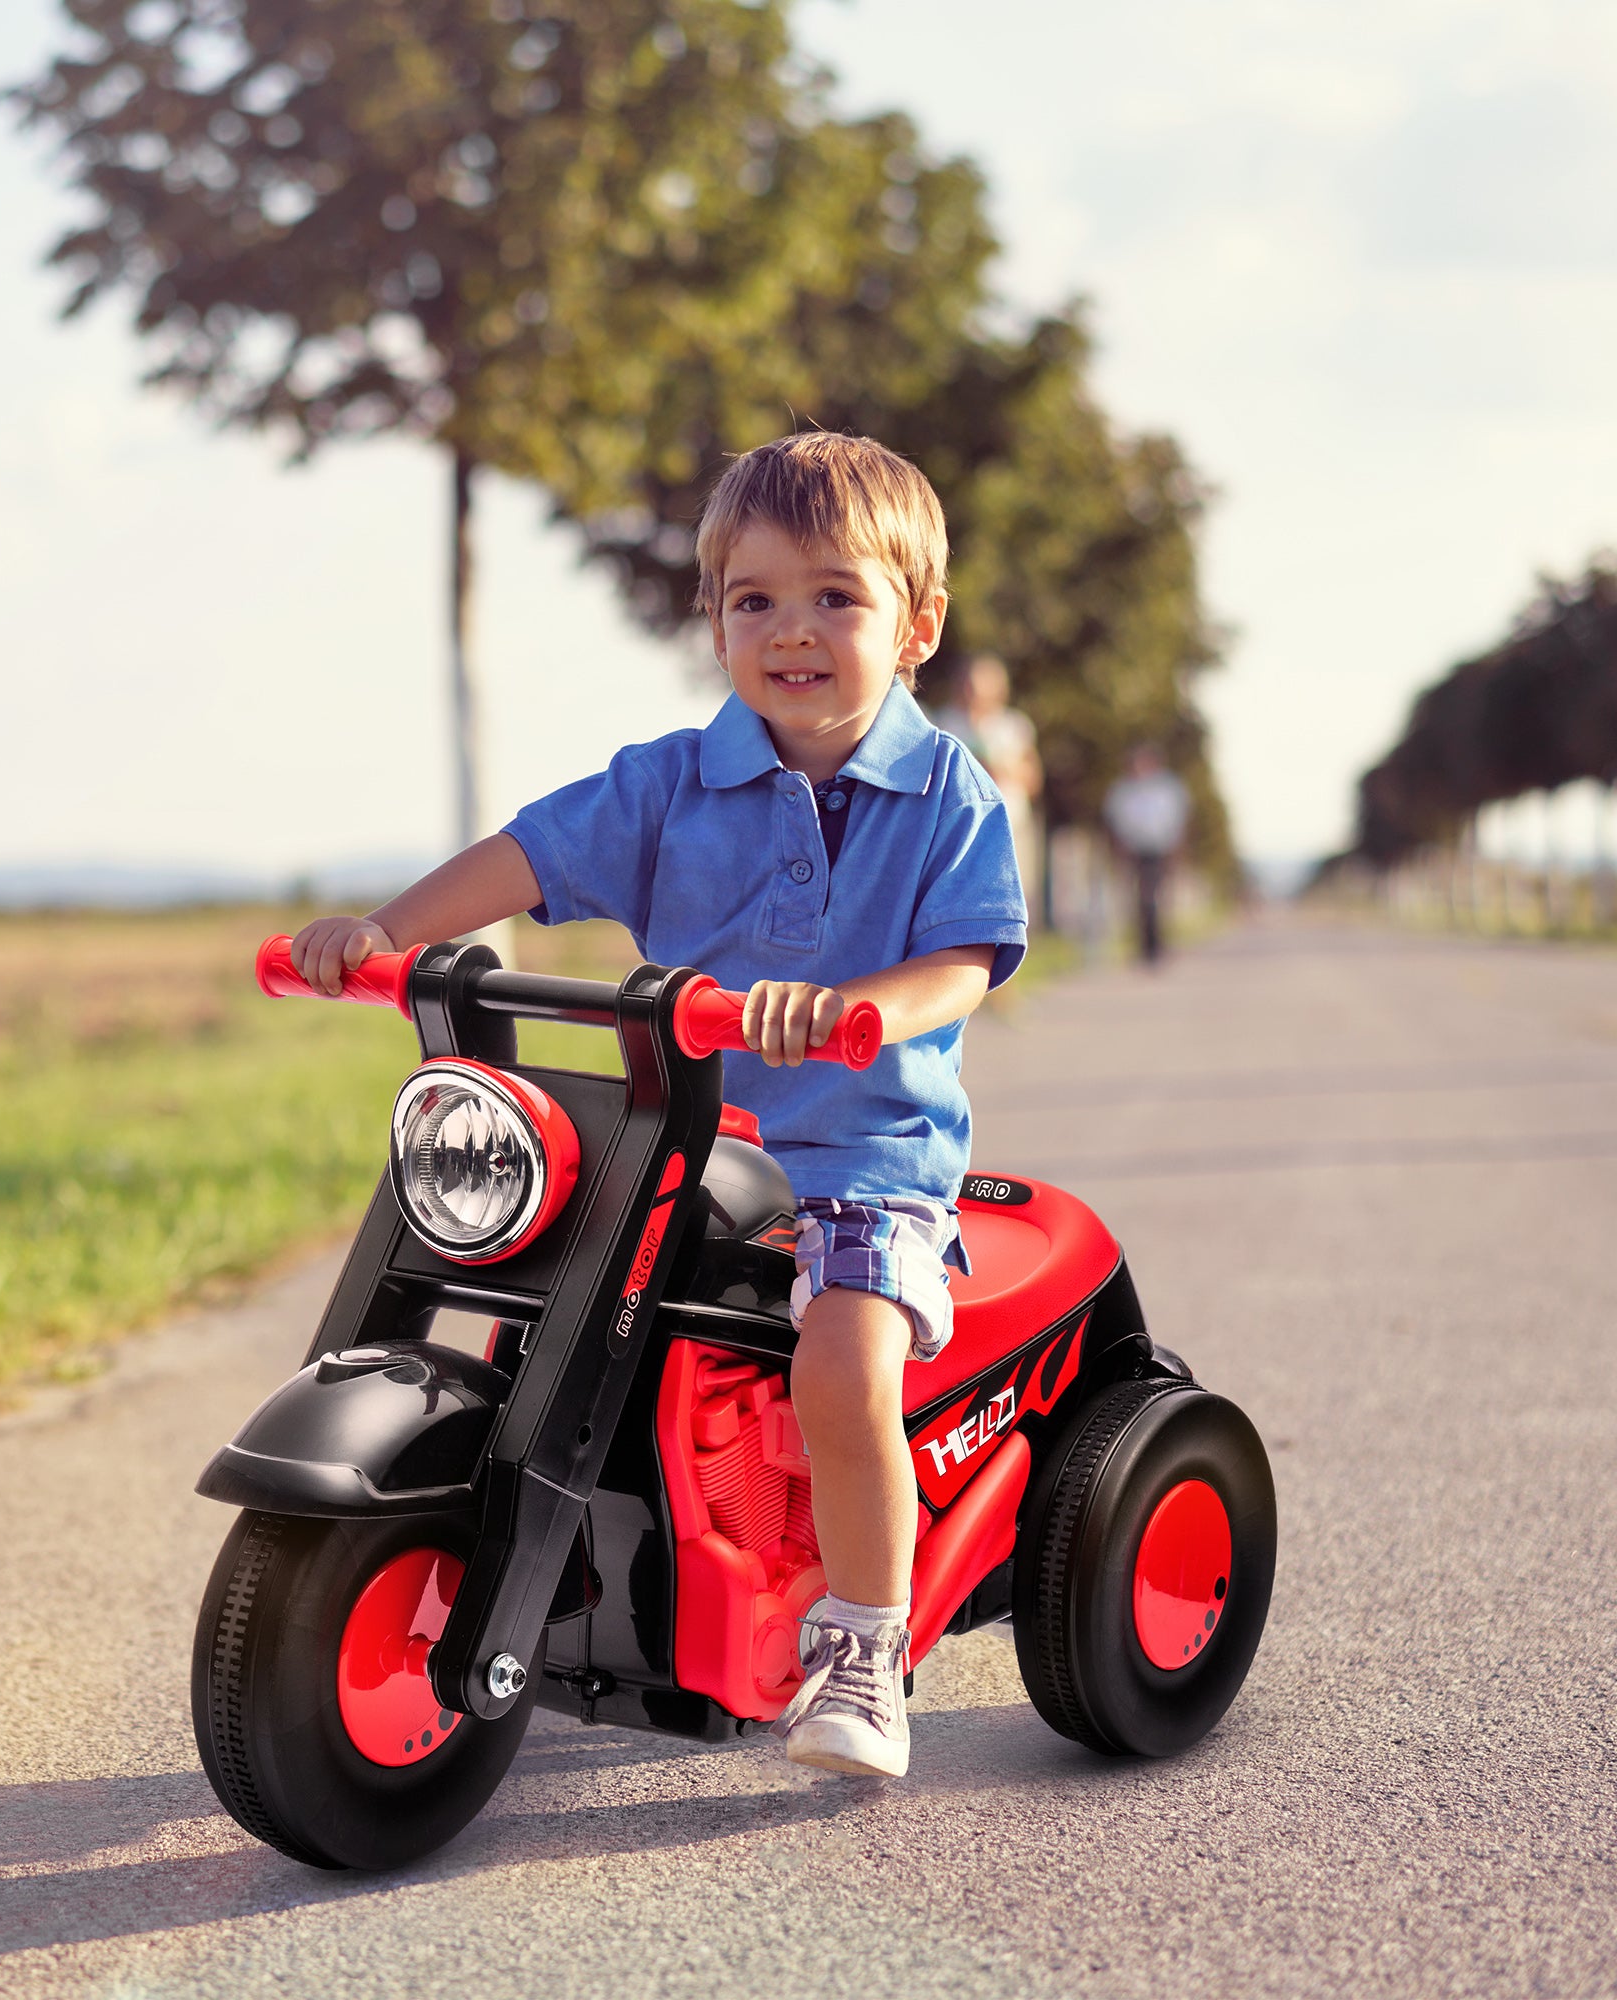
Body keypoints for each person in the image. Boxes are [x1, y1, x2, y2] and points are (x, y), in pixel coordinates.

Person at [290, 432, 1027, 1778]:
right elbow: (527, 854)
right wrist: (386, 929)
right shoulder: (671, 783)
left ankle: (864, 1645)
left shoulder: (949, 798)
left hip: (860, 1158)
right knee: (521, 1274)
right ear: (714, 621)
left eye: (835, 598)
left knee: (845, 1352)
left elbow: (965, 962)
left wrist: (858, 1004)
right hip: (677, 1139)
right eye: (755, 600)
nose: (791, 631)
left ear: (916, 625)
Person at [931, 655, 1043, 927]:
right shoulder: (942, 723)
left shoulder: (1013, 726)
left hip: (1010, 822)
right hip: (958, 824)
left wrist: (1004, 769)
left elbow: (1034, 778)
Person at [1103, 744, 1190, 964]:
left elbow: (1178, 820)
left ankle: (1158, 943)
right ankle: (1144, 945)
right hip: (1134, 850)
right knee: (1139, 898)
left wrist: (1177, 848)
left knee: (1158, 897)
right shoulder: (1123, 790)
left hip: (1161, 848)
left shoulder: (1168, 788)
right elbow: (1115, 821)